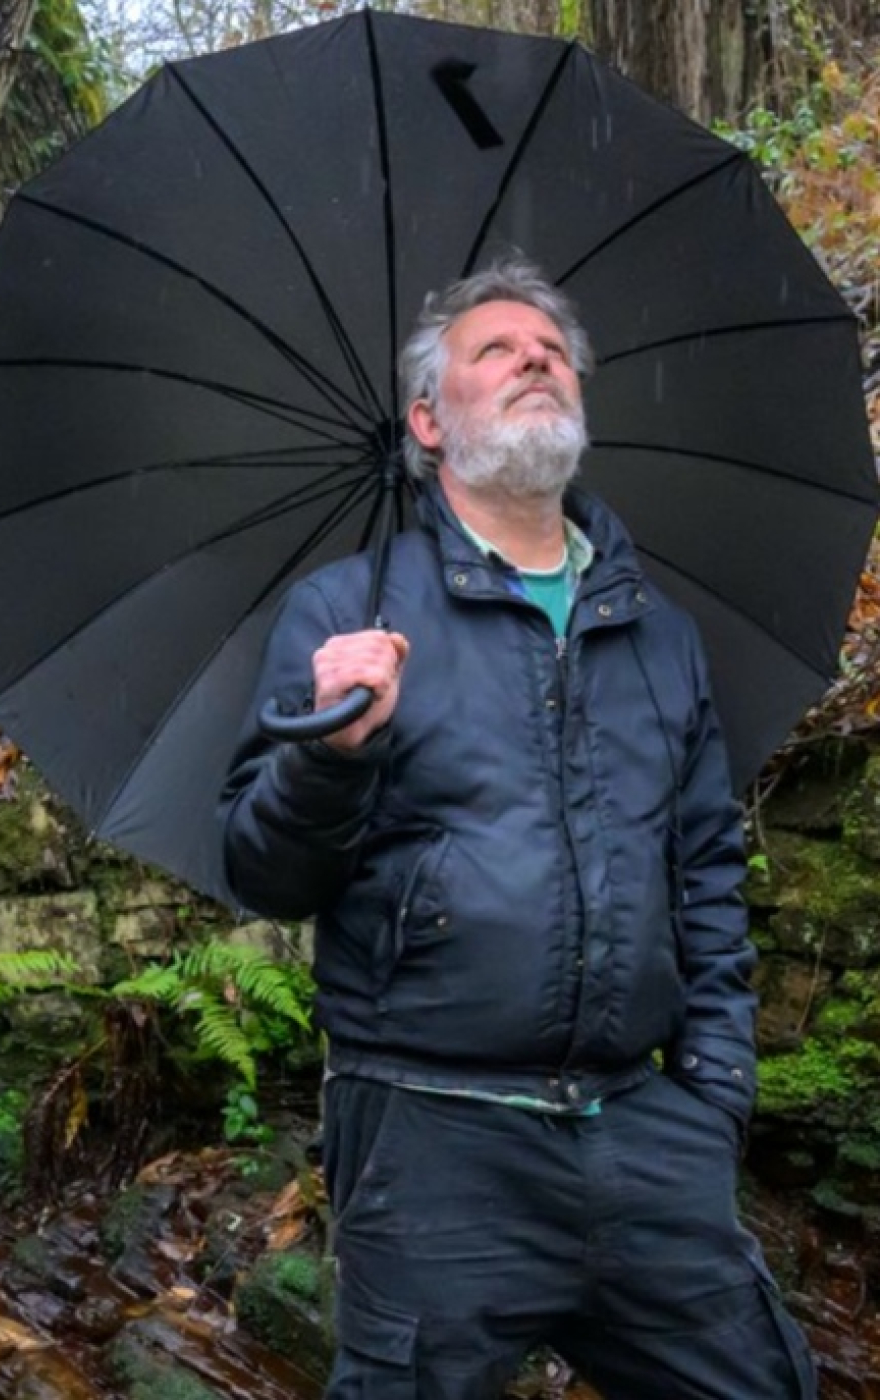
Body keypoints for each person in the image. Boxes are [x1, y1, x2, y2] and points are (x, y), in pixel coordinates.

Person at [219, 260, 816, 1400]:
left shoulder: (657, 633)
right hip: (430, 1139)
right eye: (494, 349)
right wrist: (328, 753)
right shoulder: (345, 615)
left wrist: (712, 1097)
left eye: (550, 350)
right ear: (427, 421)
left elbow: (701, 873)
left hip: (644, 1132)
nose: (534, 356)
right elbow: (260, 868)